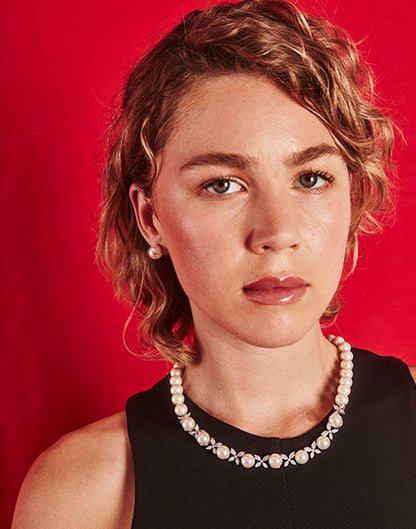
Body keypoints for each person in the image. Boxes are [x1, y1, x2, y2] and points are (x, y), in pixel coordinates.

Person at [12, 0, 416, 527]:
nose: (277, 233)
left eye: (310, 178)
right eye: (222, 185)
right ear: (151, 218)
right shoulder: (83, 494)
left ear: (353, 195)